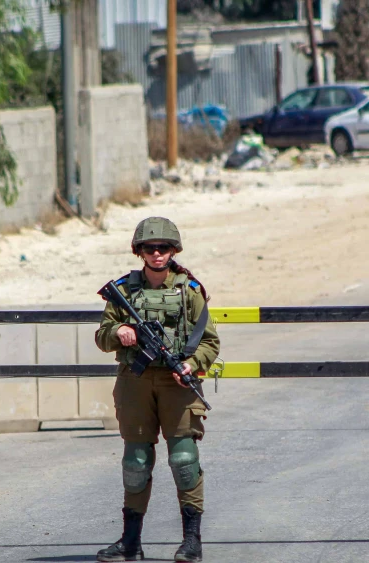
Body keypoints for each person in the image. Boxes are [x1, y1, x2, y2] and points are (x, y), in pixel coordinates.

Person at [94, 216, 220, 563]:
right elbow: (102, 337)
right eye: (150, 248)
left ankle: (191, 541)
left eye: (163, 248)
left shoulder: (189, 292)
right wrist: (119, 331)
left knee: (183, 458)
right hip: (135, 381)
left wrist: (192, 365)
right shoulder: (123, 290)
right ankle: (130, 542)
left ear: (173, 251)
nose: (157, 254)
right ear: (140, 252)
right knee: (135, 460)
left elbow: (209, 342)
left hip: (176, 384)